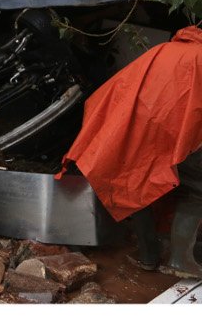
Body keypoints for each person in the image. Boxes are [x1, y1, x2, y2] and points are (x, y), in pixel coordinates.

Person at [57, 25, 202, 278]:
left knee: (134, 186)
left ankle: (149, 257)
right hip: (171, 134)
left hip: (134, 127)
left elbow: (119, 87)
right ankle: (180, 260)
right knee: (197, 192)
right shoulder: (197, 58)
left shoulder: (164, 50)